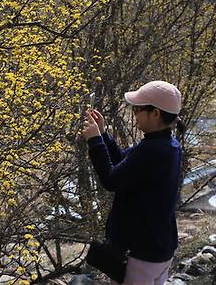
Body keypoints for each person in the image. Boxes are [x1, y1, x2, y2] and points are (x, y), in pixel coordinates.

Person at [80, 80, 186, 285]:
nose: (133, 113)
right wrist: (103, 134)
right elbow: (123, 163)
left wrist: (94, 142)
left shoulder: (152, 150)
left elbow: (111, 180)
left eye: (137, 109)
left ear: (155, 113)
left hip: (141, 254)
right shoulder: (168, 145)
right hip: (160, 248)